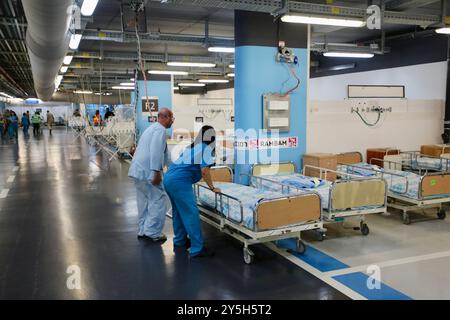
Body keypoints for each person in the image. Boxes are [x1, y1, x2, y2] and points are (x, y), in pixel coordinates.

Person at [163, 125, 220, 258]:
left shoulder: (192, 147)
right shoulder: (205, 149)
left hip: (169, 178)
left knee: (178, 211)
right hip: (179, 182)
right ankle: (197, 248)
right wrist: (212, 187)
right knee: (191, 213)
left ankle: (180, 240)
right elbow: (205, 171)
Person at [128, 108, 174, 242]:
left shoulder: (152, 128)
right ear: (165, 118)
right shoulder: (160, 130)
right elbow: (155, 152)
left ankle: (143, 229)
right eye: (172, 118)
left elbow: (164, 153)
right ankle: (153, 232)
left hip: (138, 171)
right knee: (158, 200)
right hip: (148, 171)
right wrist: (156, 171)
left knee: (143, 201)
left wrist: (172, 166)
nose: (172, 121)